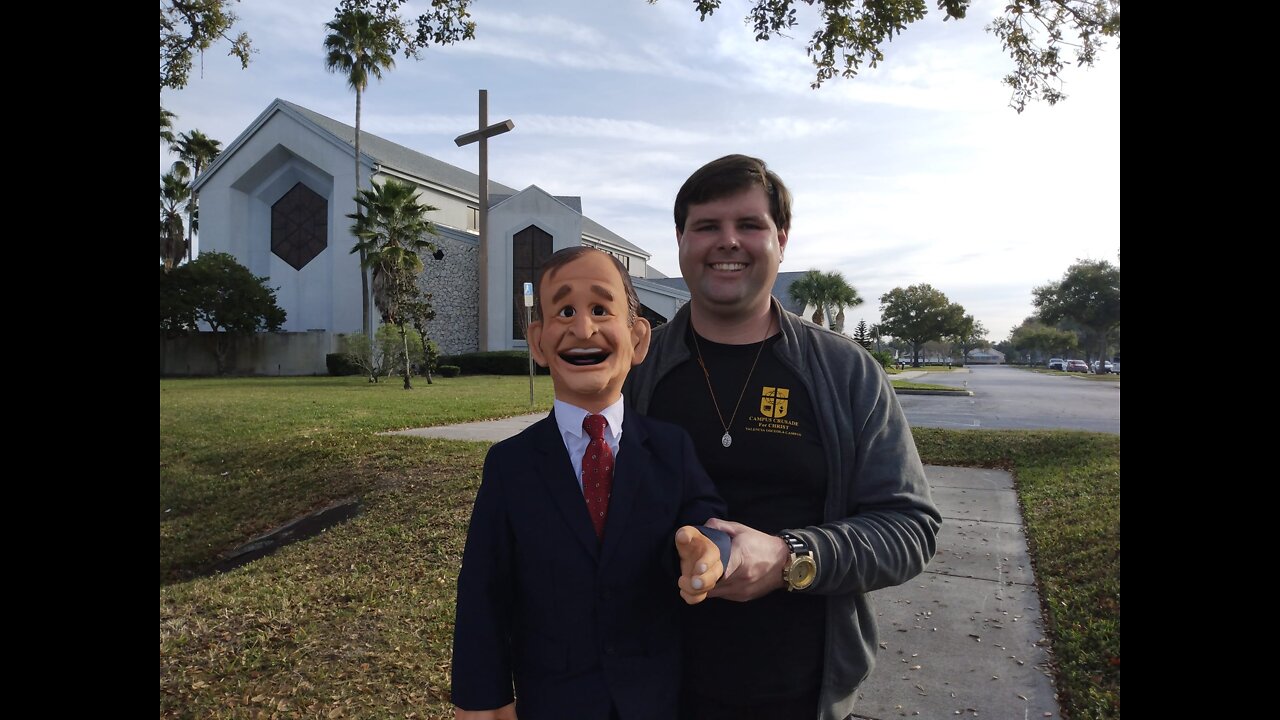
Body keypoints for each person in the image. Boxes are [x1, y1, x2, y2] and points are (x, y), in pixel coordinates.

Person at [625, 154, 942, 720]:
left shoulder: (845, 372)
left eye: (749, 225)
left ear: (781, 239)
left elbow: (910, 528)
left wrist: (790, 557)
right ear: (680, 239)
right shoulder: (635, 373)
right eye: (706, 226)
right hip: (651, 688)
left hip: (798, 693)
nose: (728, 242)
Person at [451, 247, 730, 720]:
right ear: (537, 341)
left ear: (638, 338)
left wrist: (709, 545)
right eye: (564, 311)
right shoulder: (509, 464)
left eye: (601, 309)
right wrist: (482, 700)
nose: (583, 330)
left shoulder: (671, 449)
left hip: (658, 699)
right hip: (553, 700)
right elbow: (483, 590)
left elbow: (708, 520)